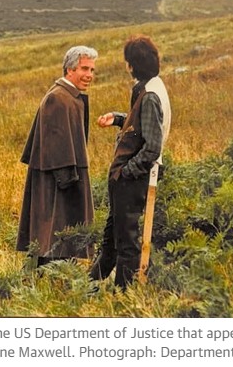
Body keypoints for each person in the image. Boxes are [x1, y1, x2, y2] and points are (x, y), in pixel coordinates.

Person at [90, 35, 171, 290]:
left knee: (125, 241)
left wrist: (128, 171)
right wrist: (118, 118)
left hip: (132, 178)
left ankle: (122, 294)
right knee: (113, 236)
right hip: (129, 176)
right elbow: (145, 123)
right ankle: (89, 287)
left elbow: (152, 146)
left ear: (132, 65)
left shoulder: (149, 95)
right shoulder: (152, 87)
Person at [16, 46, 98, 267]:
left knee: (58, 237)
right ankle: (46, 278)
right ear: (70, 69)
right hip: (57, 184)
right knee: (53, 235)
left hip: (65, 180)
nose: (89, 75)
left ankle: (54, 277)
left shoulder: (68, 97)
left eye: (92, 70)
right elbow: (54, 148)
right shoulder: (58, 98)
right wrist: (69, 186)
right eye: (84, 69)